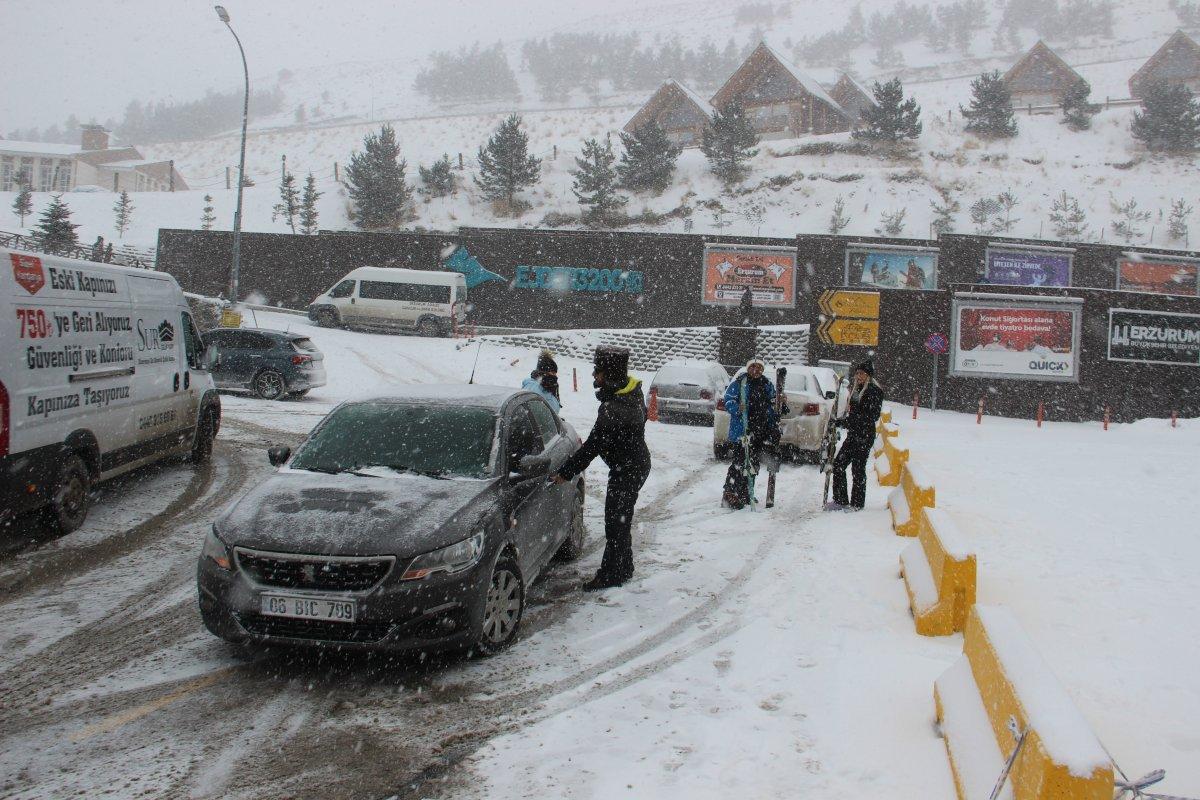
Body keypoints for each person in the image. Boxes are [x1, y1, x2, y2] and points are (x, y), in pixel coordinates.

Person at [552, 346, 652, 591]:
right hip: (635, 464)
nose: (594, 377)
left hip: (627, 469)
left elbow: (592, 447)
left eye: (598, 372)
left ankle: (612, 574)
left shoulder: (614, 409)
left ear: (610, 375)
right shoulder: (632, 393)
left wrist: (565, 473)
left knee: (615, 523)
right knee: (621, 520)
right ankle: (624, 567)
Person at [721, 358, 785, 510]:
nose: (756, 370)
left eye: (759, 368)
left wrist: (780, 403)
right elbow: (728, 400)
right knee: (739, 462)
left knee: (753, 464)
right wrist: (738, 408)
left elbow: (773, 402)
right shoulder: (740, 383)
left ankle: (746, 493)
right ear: (748, 368)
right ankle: (730, 493)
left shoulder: (766, 384)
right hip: (743, 431)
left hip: (760, 430)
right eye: (753, 367)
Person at [828, 360, 884, 511]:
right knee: (839, 464)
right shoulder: (856, 389)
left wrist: (847, 422)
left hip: (865, 435)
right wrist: (843, 421)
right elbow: (854, 413)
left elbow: (871, 416)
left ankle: (857, 504)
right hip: (854, 434)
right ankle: (840, 500)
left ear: (868, 376)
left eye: (862, 373)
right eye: (857, 373)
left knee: (858, 469)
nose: (859, 376)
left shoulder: (874, 391)